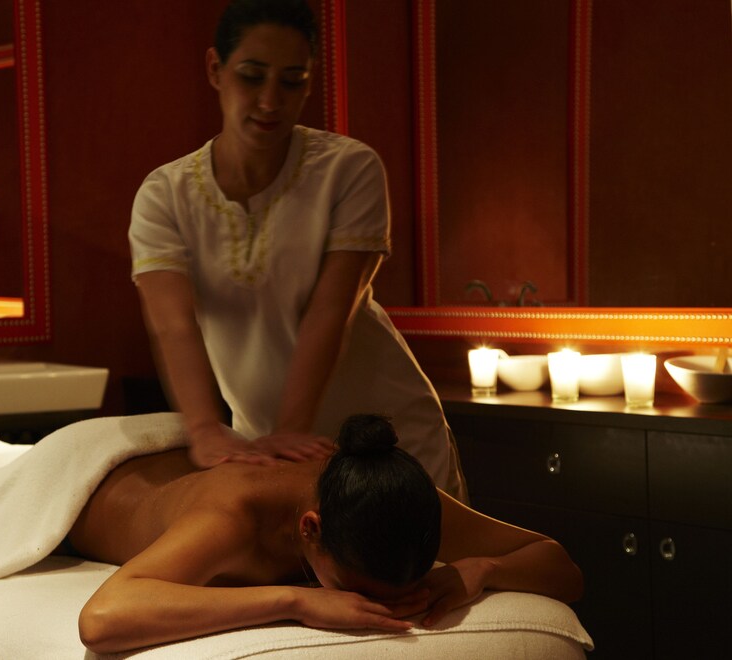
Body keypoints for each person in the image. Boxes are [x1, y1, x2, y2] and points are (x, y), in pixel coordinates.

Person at [129, 0, 466, 501]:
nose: (270, 100)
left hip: (389, 438)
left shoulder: (348, 170)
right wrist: (204, 430)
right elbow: (173, 324)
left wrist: (292, 427)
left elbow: (331, 311)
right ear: (216, 70)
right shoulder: (165, 195)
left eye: (292, 81)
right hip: (265, 443)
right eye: (252, 76)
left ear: (310, 82)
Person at [70, 414, 583, 654]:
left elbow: (560, 567)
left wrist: (481, 569)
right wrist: (296, 601)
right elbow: (103, 618)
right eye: (353, 590)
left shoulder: (390, 493)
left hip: (196, 459)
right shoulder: (232, 517)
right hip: (95, 469)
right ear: (310, 528)